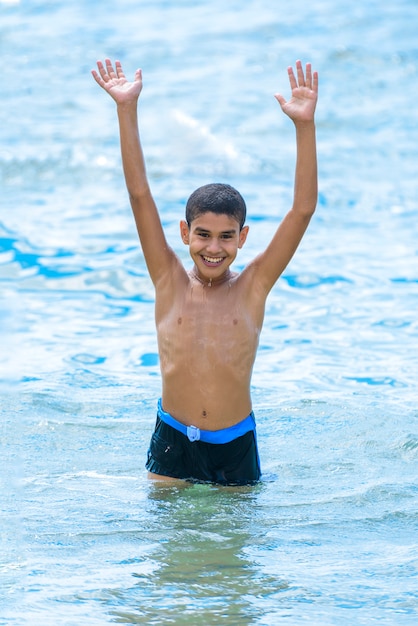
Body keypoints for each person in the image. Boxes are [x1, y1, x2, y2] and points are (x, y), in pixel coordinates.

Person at [92, 58, 318, 486]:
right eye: (203, 235)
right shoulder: (168, 280)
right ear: (185, 233)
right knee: (169, 552)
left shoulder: (254, 286)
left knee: (230, 554)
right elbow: (139, 194)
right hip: (173, 441)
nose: (214, 248)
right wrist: (126, 109)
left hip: (235, 446)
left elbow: (302, 210)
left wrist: (303, 127)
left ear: (243, 237)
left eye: (226, 237)